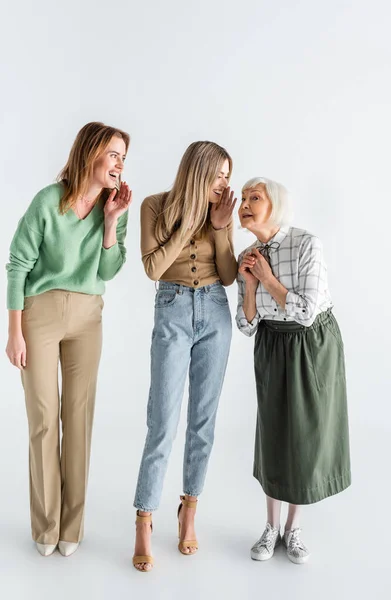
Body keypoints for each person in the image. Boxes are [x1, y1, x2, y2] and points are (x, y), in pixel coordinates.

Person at [5, 121, 132, 558]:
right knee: (43, 420)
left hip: (87, 318)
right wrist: (14, 331)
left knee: (78, 421)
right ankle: (46, 527)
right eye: (113, 154)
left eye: (122, 158)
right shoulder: (47, 201)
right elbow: (18, 263)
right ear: (91, 153)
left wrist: (112, 221)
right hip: (38, 315)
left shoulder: (116, 205)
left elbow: (109, 272)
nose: (119, 164)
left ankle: (72, 526)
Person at [132, 141, 237, 572]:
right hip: (172, 309)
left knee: (203, 422)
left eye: (228, 177)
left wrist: (222, 227)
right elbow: (153, 269)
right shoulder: (154, 206)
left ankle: (189, 510)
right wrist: (192, 220)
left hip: (215, 311)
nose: (224, 185)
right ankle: (144, 517)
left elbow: (228, 276)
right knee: (162, 421)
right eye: (218, 176)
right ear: (198, 172)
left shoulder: (221, 213)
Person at [236, 177, 351, 565]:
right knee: (273, 433)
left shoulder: (306, 244)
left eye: (255, 197)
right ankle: (270, 527)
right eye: (243, 197)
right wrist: (251, 285)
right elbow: (247, 324)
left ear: (276, 206)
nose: (245, 203)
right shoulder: (248, 254)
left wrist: (268, 279)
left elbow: (306, 312)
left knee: (305, 433)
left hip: (312, 343)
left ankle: (294, 528)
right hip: (271, 342)